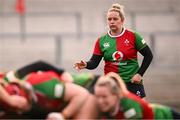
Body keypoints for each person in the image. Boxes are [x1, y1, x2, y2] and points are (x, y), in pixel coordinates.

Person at [74, 3, 153, 98]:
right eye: (109, 19)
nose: (112, 22)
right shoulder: (101, 41)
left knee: (140, 111)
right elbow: (94, 62)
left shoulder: (133, 36)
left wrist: (139, 74)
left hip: (132, 83)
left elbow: (149, 55)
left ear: (122, 20)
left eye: (115, 19)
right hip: (111, 84)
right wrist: (86, 64)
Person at [1, 62, 98, 119]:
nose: (18, 107)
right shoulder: (10, 83)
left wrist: (63, 115)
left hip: (90, 84)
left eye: (15, 92)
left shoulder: (42, 86)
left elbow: (81, 93)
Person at [94, 72, 180, 119]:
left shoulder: (129, 103)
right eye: (97, 96)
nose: (100, 101)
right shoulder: (102, 109)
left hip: (167, 116)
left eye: (104, 96)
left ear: (116, 95)